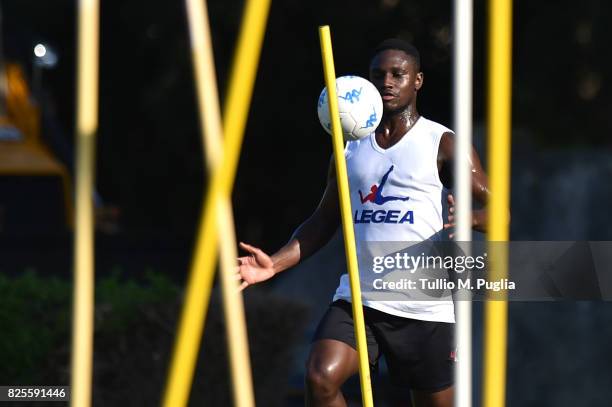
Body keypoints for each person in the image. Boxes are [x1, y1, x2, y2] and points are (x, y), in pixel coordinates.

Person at [236, 39, 489, 407]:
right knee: (320, 378)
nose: (387, 82)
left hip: (425, 309)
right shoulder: (350, 147)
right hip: (360, 299)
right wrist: (273, 264)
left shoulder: (443, 142)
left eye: (397, 74)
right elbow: (323, 221)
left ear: (417, 80)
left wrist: (472, 220)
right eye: (378, 75)